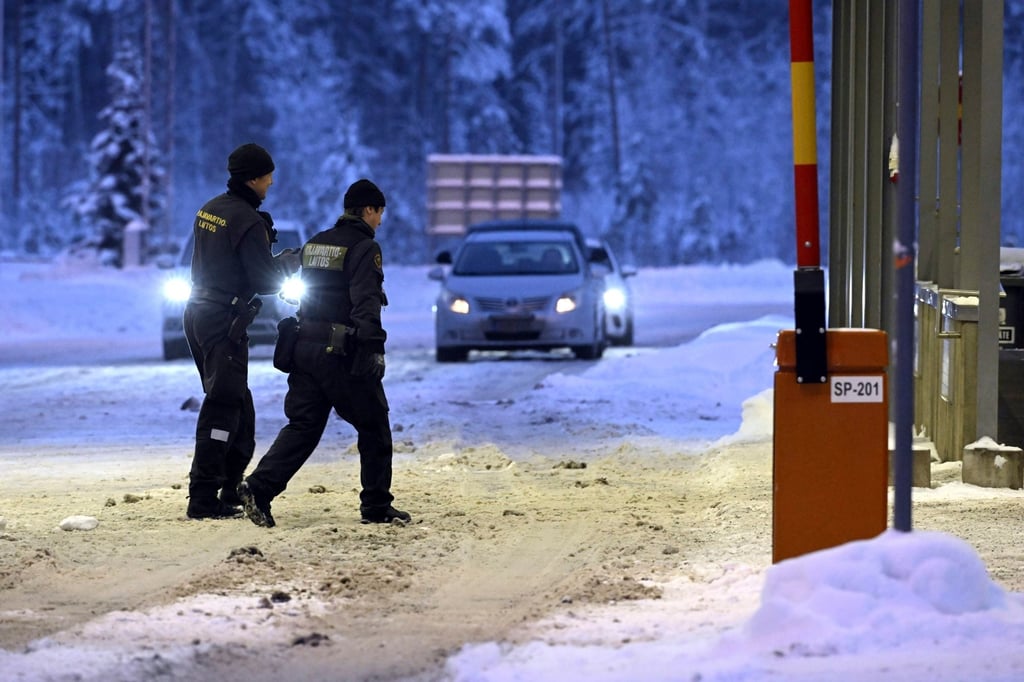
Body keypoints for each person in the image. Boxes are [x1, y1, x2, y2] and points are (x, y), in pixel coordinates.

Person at [237, 179, 410, 528]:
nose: (380, 222)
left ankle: (259, 488)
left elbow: (295, 279)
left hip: (304, 348)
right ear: (369, 210)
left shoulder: (317, 242)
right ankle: (376, 505)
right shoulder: (364, 248)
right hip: (340, 353)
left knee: (303, 425)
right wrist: (373, 348)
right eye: (379, 214)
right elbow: (366, 301)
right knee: (375, 425)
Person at [183, 143, 301, 519]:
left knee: (237, 401)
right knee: (222, 404)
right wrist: (290, 260)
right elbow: (265, 281)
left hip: (197, 313)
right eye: (267, 177)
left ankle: (231, 487)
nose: (270, 184)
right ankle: (202, 497)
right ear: (252, 178)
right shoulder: (247, 220)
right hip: (223, 321)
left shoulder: (211, 209)